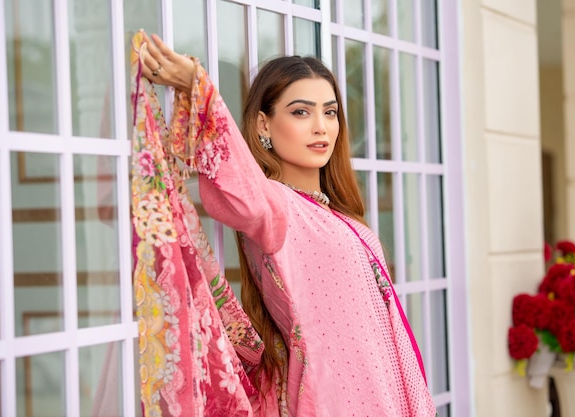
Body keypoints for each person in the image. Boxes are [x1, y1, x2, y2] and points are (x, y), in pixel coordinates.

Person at [137, 30, 436, 417]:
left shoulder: (344, 220)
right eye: (300, 112)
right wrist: (197, 87)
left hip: (388, 398)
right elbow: (243, 193)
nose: (321, 127)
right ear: (263, 125)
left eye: (329, 112)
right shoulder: (278, 207)